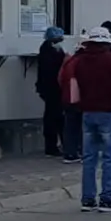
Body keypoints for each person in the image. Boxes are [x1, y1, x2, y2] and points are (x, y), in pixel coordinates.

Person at [72, 27, 111, 212]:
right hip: (109, 112)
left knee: (89, 158)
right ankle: (107, 197)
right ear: (107, 43)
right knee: (109, 157)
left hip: (88, 112)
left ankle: (88, 199)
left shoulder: (80, 61)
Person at [36, 26, 66, 157]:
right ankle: (52, 146)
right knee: (54, 118)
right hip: (52, 89)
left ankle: (56, 144)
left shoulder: (51, 50)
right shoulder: (49, 52)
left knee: (55, 117)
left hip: (51, 89)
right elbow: (51, 71)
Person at [57, 43, 84, 164]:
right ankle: (82, 151)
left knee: (69, 127)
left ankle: (69, 153)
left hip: (67, 98)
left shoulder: (68, 61)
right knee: (82, 127)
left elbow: (60, 79)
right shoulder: (83, 63)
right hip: (79, 99)